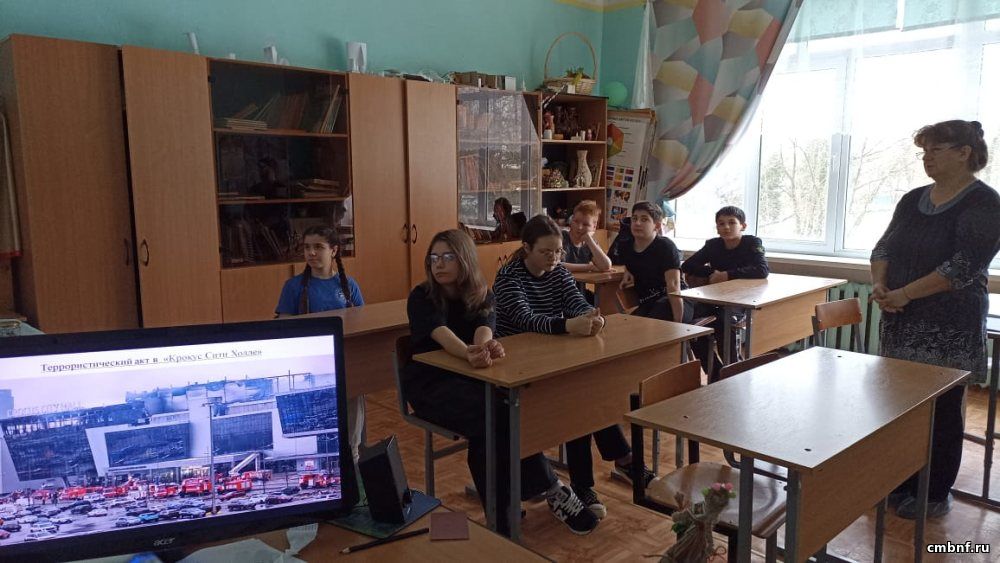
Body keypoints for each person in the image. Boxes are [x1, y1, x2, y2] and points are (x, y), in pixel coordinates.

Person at [403, 229, 598, 536]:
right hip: (431, 385)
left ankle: (502, 519)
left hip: (473, 382)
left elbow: (484, 327)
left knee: (494, 424)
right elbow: (443, 335)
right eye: (434, 257)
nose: (438, 264)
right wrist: (469, 353)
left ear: (465, 259)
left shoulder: (483, 293)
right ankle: (551, 489)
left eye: (447, 257)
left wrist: (485, 347)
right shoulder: (422, 296)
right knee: (496, 417)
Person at [870, 119, 1000, 519]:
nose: (926, 158)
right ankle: (900, 481)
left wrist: (904, 294)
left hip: (949, 326)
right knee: (900, 408)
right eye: (923, 151)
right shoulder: (912, 199)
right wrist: (880, 286)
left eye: (935, 150)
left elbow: (962, 267)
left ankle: (934, 493)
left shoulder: (985, 203)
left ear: (964, 153)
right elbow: (884, 246)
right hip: (900, 320)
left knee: (942, 412)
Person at [494, 214, 651, 522]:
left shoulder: (559, 272)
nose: (553, 258)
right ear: (526, 248)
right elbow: (526, 319)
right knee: (577, 401)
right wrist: (568, 325)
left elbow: (576, 302)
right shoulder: (509, 277)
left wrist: (593, 317)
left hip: (551, 356)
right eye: (545, 252)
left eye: (558, 251)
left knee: (583, 395)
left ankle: (600, 475)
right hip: (515, 367)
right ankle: (607, 470)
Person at [275, 225, 366, 459]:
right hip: (312, 367)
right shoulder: (293, 287)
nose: (311, 253)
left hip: (346, 361)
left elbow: (362, 321)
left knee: (351, 433)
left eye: (318, 247)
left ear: (333, 251)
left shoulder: (348, 285)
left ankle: (353, 458)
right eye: (307, 247)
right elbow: (283, 326)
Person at [681, 206, 769, 374]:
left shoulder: (752, 243)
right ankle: (715, 373)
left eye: (731, 223)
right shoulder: (713, 245)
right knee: (691, 324)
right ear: (717, 228)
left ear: (743, 226)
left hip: (741, 299)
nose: (726, 227)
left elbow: (762, 270)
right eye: (721, 224)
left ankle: (733, 370)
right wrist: (712, 273)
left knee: (724, 321)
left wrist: (728, 275)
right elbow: (688, 265)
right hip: (713, 299)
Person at [612, 201, 692, 323]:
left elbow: (674, 286)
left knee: (657, 314)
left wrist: (678, 324)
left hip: (676, 300)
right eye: (634, 218)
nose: (637, 223)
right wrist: (627, 269)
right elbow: (611, 261)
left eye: (644, 219)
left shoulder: (666, 247)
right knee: (628, 325)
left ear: (657, 226)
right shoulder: (625, 246)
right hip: (649, 303)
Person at [560, 200, 614, 304]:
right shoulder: (561, 237)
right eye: (576, 221)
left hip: (578, 293)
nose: (579, 227)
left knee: (603, 303)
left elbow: (606, 266)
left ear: (594, 226)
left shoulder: (589, 243)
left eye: (585, 224)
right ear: (571, 220)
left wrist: (589, 239)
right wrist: (590, 267)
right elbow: (557, 265)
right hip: (559, 292)